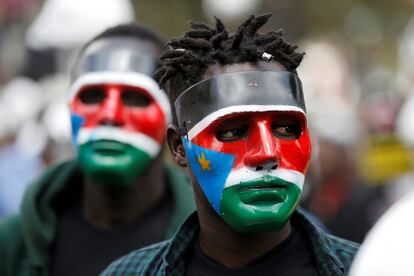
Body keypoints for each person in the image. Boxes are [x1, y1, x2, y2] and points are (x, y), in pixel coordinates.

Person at [102, 14, 359, 276]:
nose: (267, 153)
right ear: (179, 146)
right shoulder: (129, 273)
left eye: (285, 129)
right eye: (233, 131)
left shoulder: (368, 267)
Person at [0, 23, 195, 276]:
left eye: (134, 97)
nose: (110, 115)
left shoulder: (211, 241)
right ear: (69, 110)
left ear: (171, 122)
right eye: (92, 96)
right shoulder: (12, 246)